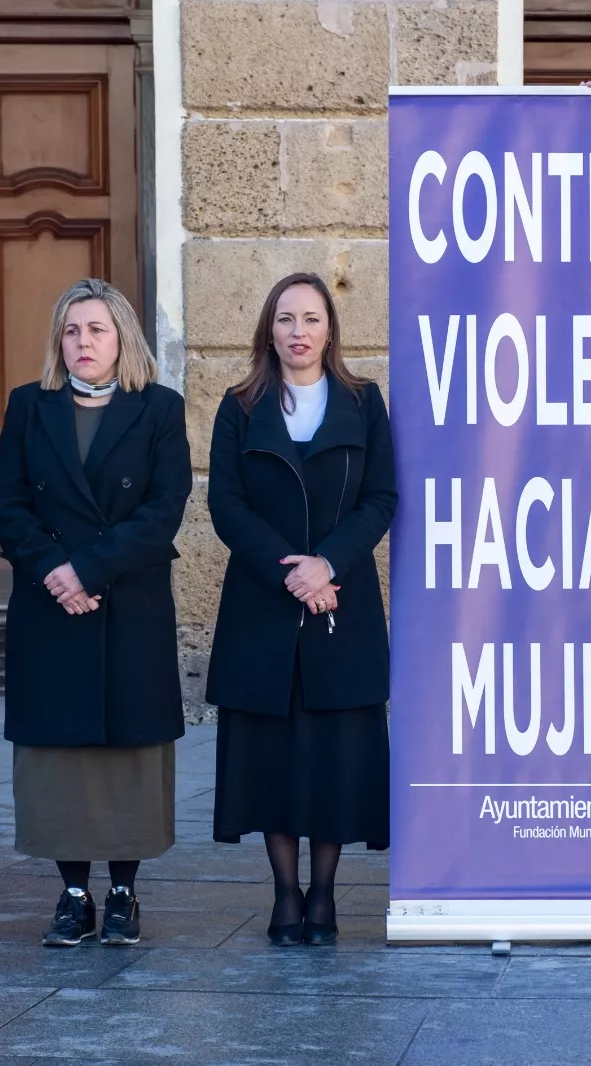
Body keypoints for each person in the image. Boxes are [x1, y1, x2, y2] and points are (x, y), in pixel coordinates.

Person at [0, 279, 191, 947]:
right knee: (59, 757)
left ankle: (125, 891)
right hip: (51, 609)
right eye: (72, 331)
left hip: (127, 605)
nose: (83, 342)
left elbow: (164, 510)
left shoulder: (159, 409)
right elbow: (9, 503)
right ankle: (73, 892)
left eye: (96, 330)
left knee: (128, 753)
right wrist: (55, 572)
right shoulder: (28, 406)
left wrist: (91, 568)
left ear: (122, 338)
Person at [206, 272, 396, 947]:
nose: (298, 332)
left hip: (342, 608)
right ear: (269, 329)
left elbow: (381, 497)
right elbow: (225, 506)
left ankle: (325, 895)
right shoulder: (240, 405)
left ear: (330, 330)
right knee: (274, 758)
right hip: (265, 608)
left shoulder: (363, 402)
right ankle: (285, 894)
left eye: (311, 319)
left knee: (335, 759)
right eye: (286, 319)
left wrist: (329, 564)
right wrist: (293, 572)